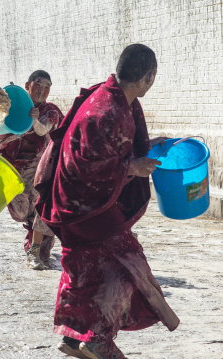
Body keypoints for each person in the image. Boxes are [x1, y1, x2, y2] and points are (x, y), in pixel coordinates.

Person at [35, 44, 179, 359]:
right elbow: (84, 166)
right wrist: (132, 166)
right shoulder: (105, 110)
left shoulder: (116, 99)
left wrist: (146, 148)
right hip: (82, 205)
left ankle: (74, 336)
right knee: (125, 264)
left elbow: (106, 149)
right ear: (149, 77)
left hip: (80, 203)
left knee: (84, 268)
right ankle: (97, 338)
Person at [0, 70, 62, 270]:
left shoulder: (51, 111)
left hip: (44, 168)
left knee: (44, 207)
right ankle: (34, 237)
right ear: (27, 85)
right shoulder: (13, 108)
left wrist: (35, 120)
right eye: (38, 86)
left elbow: (42, 130)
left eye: (47, 88)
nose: (42, 91)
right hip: (16, 170)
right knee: (21, 212)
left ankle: (35, 249)